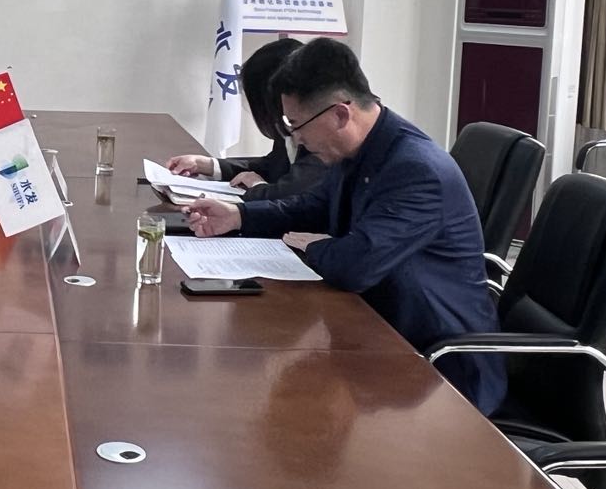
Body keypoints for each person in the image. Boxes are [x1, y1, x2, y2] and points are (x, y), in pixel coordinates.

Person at [185, 39, 504, 415]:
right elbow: (312, 208)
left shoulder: (416, 170)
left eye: (296, 125)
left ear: (339, 114)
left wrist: (312, 246)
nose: (296, 138)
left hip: (438, 370)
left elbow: (355, 265)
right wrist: (238, 216)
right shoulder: (362, 148)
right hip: (378, 333)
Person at [167, 38, 328, 203]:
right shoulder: (287, 124)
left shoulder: (317, 135)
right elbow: (272, 165)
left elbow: (291, 196)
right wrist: (207, 165)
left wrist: (257, 186)